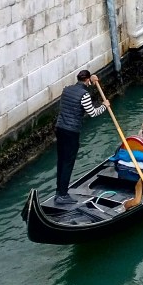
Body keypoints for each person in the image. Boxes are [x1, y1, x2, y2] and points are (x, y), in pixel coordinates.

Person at [54, 69, 110, 206]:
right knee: (68, 163)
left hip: (59, 128)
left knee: (61, 161)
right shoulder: (84, 94)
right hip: (71, 132)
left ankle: (58, 191)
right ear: (87, 80)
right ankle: (62, 195)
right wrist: (104, 106)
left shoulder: (66, 90)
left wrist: (93, 78)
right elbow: (92, 113)